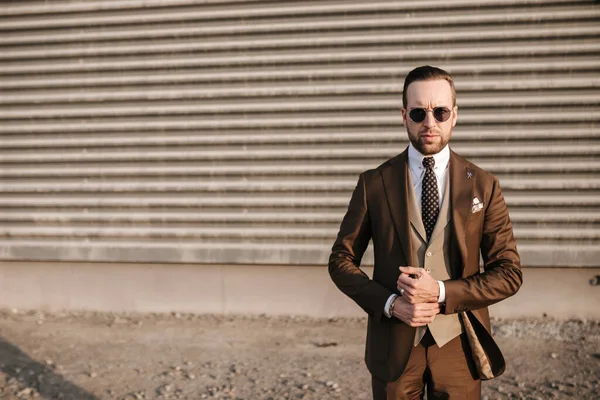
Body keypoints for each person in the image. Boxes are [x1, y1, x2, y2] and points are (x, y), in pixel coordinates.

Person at [328, 65, 523, 399]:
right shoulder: (374, 183)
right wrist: (390, 303)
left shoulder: (485, 185)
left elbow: (509, 273)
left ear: (455, 115)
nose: (429, 123)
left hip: (458, 343)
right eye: (419, 112)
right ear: (404, 116)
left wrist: (443, 293)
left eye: (440, 112)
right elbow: (341, 261)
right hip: (394, 343)